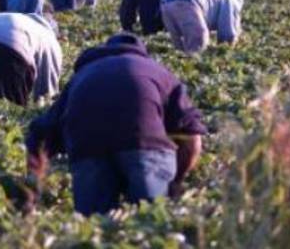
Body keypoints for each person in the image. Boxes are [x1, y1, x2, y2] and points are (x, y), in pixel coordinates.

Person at [25, 34, 207, 216]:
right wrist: (176, 180)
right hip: (144, 144)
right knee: (150, 221)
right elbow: (192, 134)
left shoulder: (81, 76)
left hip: (88, 147)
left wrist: (32, 190)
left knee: (95, 225)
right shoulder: (158, 71)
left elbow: (40, 133)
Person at [0, 12, 62, 106]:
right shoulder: (49, 38)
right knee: (10, 107)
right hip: (11, 50)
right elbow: (47, 93)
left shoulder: (25, 22)